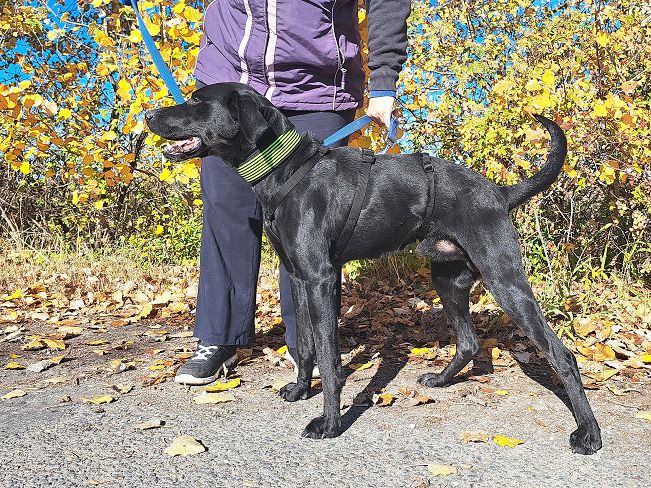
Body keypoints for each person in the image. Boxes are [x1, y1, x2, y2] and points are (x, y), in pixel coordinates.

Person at [174, 0, 411, 385]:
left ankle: (311, 343)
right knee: (227, 212)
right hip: (227, 86)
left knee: (309, 226)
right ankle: (218, 338)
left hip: (316, 90)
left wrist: (384, 79)